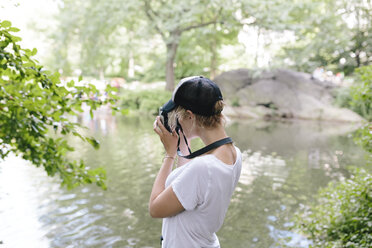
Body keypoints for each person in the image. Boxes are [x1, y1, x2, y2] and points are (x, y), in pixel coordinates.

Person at [149, 76, 242, 248]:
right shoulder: (234, 154)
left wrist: (169, 155)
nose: (176, 120)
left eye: (178, 114)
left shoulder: (203, 167)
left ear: (190, 116)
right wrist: (183, 146)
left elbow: (155, 208)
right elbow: (192, 190)